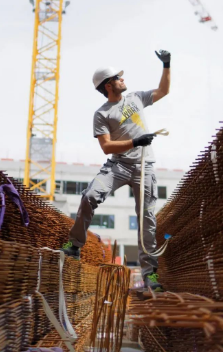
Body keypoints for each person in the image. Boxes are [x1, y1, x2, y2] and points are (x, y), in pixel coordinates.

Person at [61, 50, 171, 291]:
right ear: (108, 85)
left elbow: (163, 91)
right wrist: (135, 142)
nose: (123, 79)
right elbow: (106, 146)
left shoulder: (136, 98)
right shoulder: (101, 114)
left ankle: (150, 276)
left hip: (144, 167)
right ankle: (75, 245)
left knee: (147, 222)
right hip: (118, 165)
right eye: (118, 78)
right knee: (90, 196)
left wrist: (166, 65)